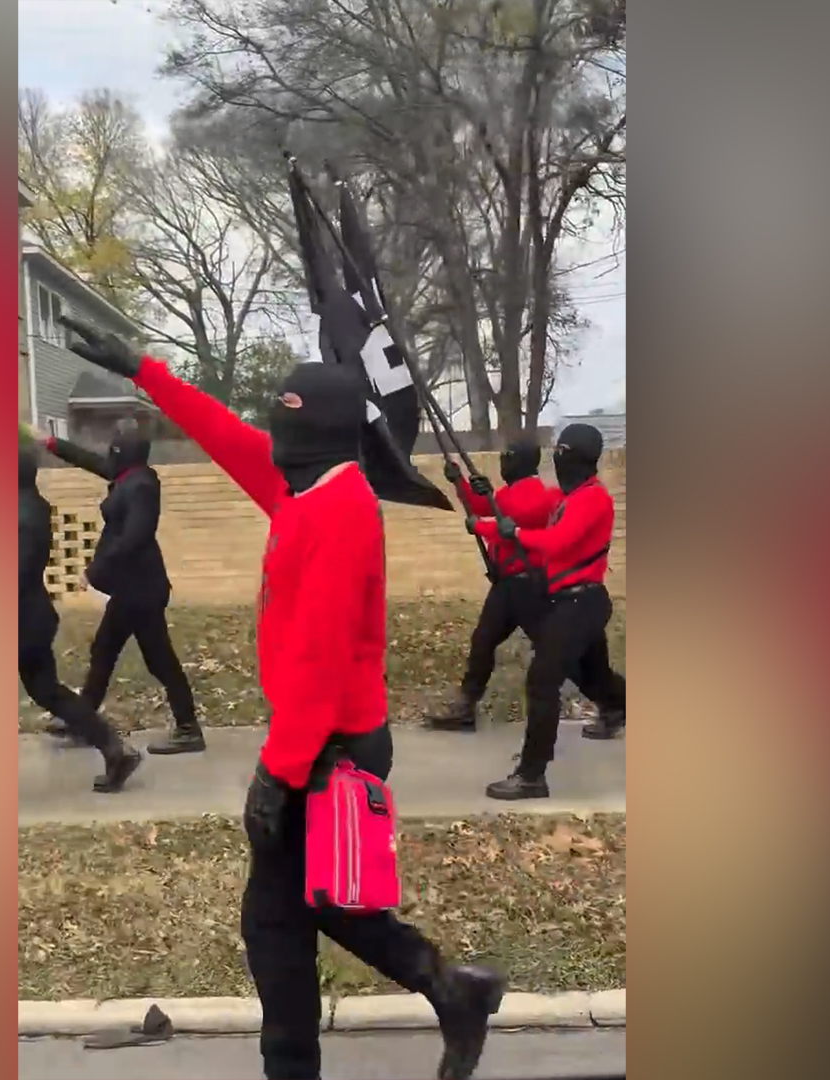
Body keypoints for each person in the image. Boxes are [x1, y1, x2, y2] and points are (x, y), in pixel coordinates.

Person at [58, 314, 506, 1080]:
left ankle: (312, 1056)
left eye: (284, 423)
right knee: (316, 906)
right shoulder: (306, 487)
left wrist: (281, 770)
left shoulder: (341, 511)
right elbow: (228, 437)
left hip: (329, 744)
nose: (270, 438)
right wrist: (145, 370)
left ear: (317, 436)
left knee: (274, 922)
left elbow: (320, 659)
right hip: (324, 739)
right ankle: (447, 988)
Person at [470, 424, 627, 800]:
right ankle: (619, 708)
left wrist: (512, 534)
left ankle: (531, 774)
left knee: (543, 680)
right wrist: (482, 502)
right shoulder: (562, 498)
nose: (557, 460)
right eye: (556, 452)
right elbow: (517, 511)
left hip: (582, 602)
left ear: (583, 459)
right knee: (594, 678)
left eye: (564, 453)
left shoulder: (593, 499)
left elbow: (555, 543)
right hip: (568, 601)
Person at [34, 420, 205, 755]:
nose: (110, 448)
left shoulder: (141, 485)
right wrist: (51, 442)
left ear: (124, 450)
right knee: (106, 651)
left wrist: (96, 569)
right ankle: (85, 722)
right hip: (133, 588)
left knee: (156, 660)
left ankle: (188, 729)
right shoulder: (128, 476)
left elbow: (135, 537)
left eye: (115, 444)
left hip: (141, 590)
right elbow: (90, 460)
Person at [18, 433, 142, 793]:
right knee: (48, 692)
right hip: (33, 618)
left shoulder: (22, 516)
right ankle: (114, 750)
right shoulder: (31, 506)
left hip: (20, 620)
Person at [426, 439, 560, 731]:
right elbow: (482, 507)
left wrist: (481, 520)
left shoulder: (543, 494)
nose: (503, 464)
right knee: (483, 641)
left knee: (555, 647)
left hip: (529, 585)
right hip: (506, 586)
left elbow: (510, 522)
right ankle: (466, 705)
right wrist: (459, 480)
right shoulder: (508, 492)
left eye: (508, 458)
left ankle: (608, 698)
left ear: (525, 462)